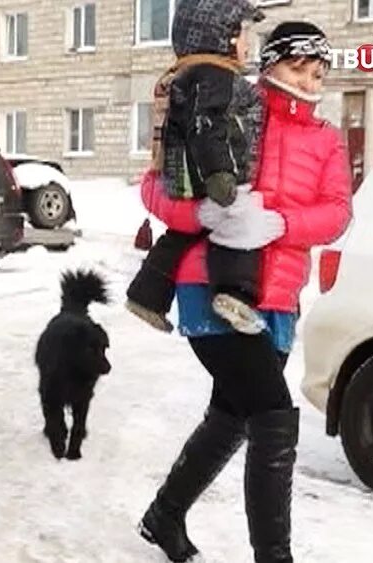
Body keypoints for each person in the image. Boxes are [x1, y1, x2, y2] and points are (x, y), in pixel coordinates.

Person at [136, 21, 352, 563]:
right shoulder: (225, 105)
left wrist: (280, 224)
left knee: (232, 415)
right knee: (273, 414)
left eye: (319, 70)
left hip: (278, 297)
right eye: (299, 66)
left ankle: (164, 516)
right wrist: (203, 211)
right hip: (207, 283)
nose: (310, 79)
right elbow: (154, 184)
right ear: (271, 62)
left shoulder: (326, 138)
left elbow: (338, 212)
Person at [125, 0, 272, 336]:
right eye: (243, 35)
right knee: (240, 220)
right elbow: (206, 125)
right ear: (221, 37)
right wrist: (220, 173)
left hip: (187, 174)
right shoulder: (216, 76)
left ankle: (146, 295)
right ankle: (233, 293)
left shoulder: (190, 74)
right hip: (211, 175)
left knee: (184, 233)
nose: (248, 44)